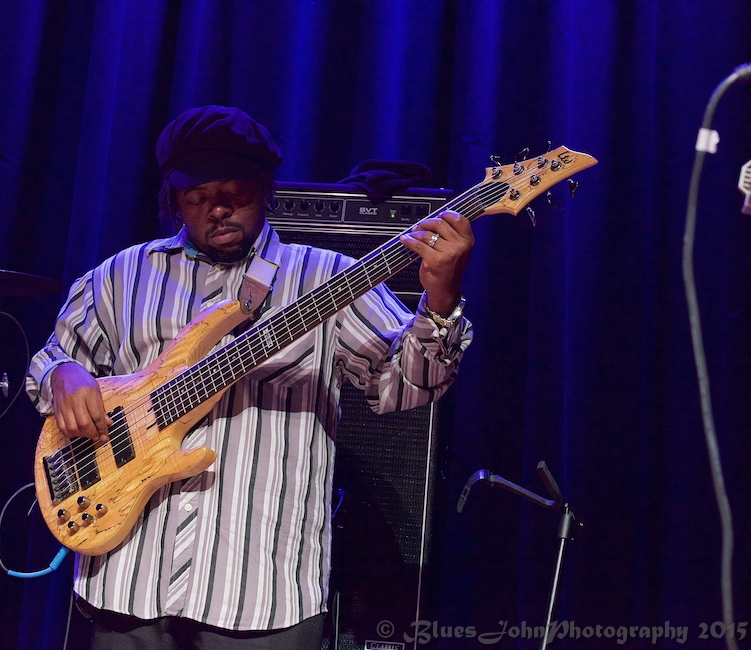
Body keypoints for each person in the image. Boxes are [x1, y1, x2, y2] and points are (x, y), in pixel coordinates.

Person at [26, 105, 474, 649]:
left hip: (260, 588)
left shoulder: (327, 277)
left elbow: (403, 387)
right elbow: (51, 361)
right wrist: (64, 375)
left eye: (235, 192)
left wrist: (441, 297)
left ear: (264, 190)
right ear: (173, 201)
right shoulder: (119, 276)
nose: (218, 208)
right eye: (197, 197)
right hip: (127, 575)